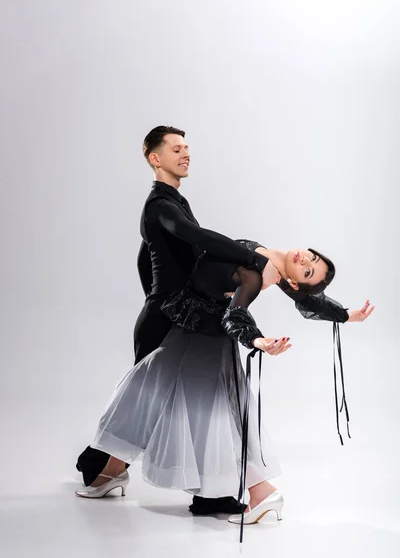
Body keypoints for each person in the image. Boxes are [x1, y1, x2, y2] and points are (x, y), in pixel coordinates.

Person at [75, 126, 373, 517]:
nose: (186, 154)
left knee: (178, 402)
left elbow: (242, 304)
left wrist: (338, 317)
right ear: (155, 157)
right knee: (152, 396)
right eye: (177, 148)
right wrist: (161, 292)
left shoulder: (260, 269)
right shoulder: (173, 211)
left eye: (187, 148)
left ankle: (230, 490)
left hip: (197, 324)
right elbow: (176, 245)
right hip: (170, 318)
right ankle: (114, 471)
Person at [74, 240, 374, 545]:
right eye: (310, 257)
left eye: (308, 269)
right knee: (147, 387)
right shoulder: (273, 262)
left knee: (213, 411)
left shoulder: (259, 275)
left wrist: (256, 341)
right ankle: (112, 471)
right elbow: (309, 299)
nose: (303, 258)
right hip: (188, 324)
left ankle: (262, 491)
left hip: (207, 334)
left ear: (296, 280)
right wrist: (347, 314)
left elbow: (236, 313)